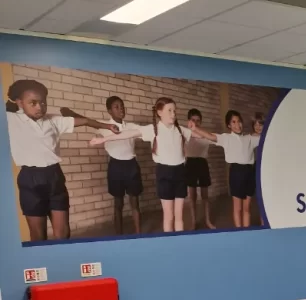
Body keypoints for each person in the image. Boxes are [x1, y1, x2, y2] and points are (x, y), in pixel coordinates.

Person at [6, 78, 118, 241]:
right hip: (30, 179)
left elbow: (85, 121)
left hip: (54, 176)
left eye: (43, 102)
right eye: (33, 103)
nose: (40, 107)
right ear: (20, 103)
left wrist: (107, 126)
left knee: (63, 234)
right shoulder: (11, 119)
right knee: (38, 236)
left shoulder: (53, 120)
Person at [90, 97, 191, 233]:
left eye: (174, 110)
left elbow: (199, 135)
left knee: (179, 217)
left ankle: (179, 242)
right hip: (160, 172)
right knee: (168, 217)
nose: (173, 114)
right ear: (159, 112)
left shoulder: (180, 130)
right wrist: (103, 139)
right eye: (169, 110)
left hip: (179, 172)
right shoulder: (153, 129)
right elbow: (124, 135)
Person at [189, 110, 258, 228]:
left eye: (239, 121)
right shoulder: (226, 138)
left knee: (247, 208)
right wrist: (195, 128)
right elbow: (210, 136)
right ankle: (239, 232)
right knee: (238, 208)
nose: (237, 124)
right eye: (234, 122)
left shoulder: (249, 138)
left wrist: (259, 126)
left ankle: (247, 232)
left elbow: (266, 137)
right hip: (236, 173)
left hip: (249, 173)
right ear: (229, 125)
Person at [100, 95, 143, 235]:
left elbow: (147, 131)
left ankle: (138, 233)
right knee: (118, 204)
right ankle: (119, 235)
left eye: (122, 106)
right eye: (116, 107)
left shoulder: (131, 127)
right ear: (109, 111)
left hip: (131, 166)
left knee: (135, 202)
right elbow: (86, 122)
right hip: (116, 167)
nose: (121, 109)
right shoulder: (104, 127)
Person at [184, 109, 215, 230]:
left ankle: (207, 220)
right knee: (192, 197)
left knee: (205, 196)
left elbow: (212, 139)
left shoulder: (205, 134)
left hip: (202, 163)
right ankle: (193, 222)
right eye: (193, 120)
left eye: (198, 120)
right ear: (189, 121)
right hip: (190, 163)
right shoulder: (185, 134)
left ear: (201, 122)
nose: (196, 123)